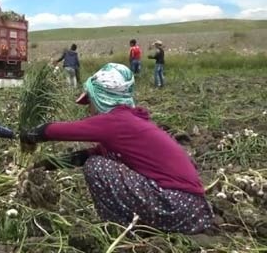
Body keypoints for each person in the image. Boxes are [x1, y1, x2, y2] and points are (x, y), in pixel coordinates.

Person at [19, 63, 213, 234]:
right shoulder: (128, 123)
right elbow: (86, 155)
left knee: (97, 167)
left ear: (102, 98)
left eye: (91, 102)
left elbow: (62, 131)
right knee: (96, 161)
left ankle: (117, 228)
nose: (90, 109)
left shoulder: (117, 122)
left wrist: (33, 134)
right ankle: (137, 225)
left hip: (178, 206)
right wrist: (47, 164)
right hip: (192, 209)